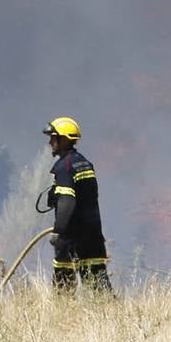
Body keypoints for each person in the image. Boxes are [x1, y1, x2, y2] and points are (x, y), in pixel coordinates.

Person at [44, 116, 112, 292]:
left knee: (64, 290)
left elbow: (67, 201)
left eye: (53, 138)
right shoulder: (84, 163)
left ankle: (65, 311)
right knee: (99, 289)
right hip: (93, 236)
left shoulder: (64, 167)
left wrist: (58, 232)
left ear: (64, 139)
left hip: (71, 238)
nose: (50, 142)